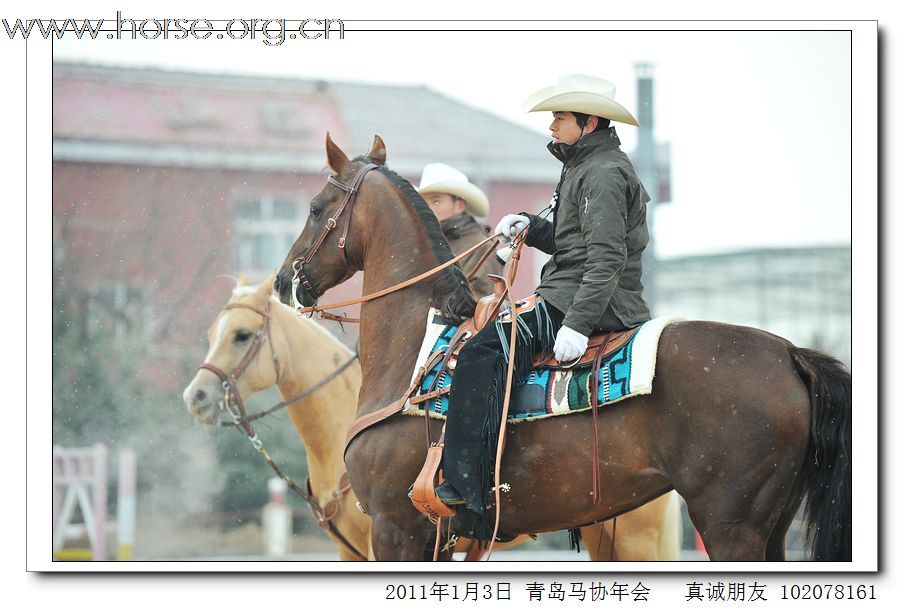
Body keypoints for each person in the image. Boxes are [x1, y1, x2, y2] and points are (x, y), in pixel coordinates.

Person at [434, 74, 652, 537]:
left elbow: (606, 258)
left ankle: (468, 487)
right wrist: (532, 228)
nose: (551, 125)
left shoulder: (604, 173)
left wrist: (576, 324)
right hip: (573, 288)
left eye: (559, 117)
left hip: (587, 298)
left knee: (482, 352)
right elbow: (574, 244)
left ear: (588, 122)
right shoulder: (583, 165)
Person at [417, 162, 504, 298]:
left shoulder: (481, 247)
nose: (427, 208)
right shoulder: (423, 243)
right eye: (423, 202)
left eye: (436, 201)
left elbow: (483, 306)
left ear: (459, 206)